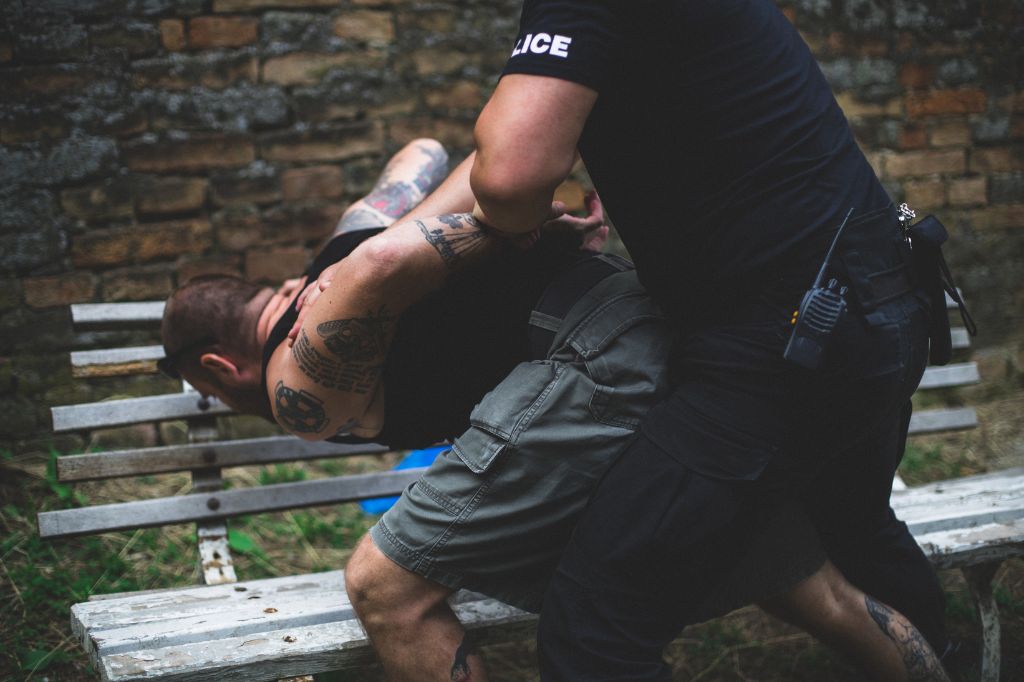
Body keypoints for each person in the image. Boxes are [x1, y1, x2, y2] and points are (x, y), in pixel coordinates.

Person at [162, 140, 947, 682]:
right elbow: (422, 157)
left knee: (383, 584)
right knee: (806, 581)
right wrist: (491, 223)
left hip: (595, 358)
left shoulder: (296, 375)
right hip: (665, 336)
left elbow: (390, 263)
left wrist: (487, 234)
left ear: (218, 368)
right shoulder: (346, 239)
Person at [450, 1, 953, 680]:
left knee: (595, 627)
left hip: (787, 337)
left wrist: (510, 220)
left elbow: (511, 175)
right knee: (855, 533)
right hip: (877, 298)